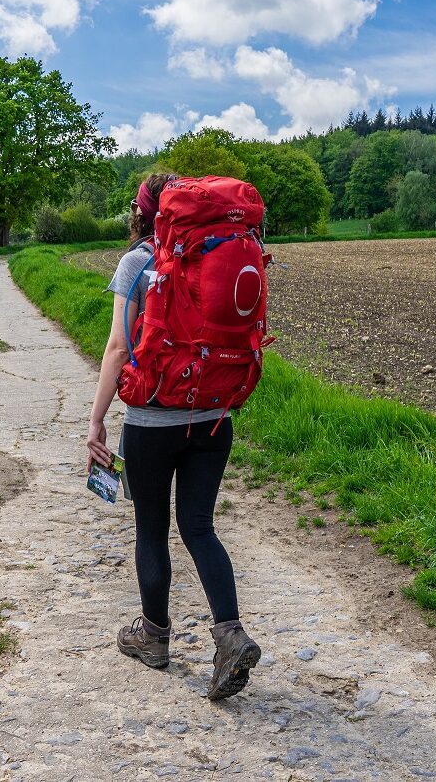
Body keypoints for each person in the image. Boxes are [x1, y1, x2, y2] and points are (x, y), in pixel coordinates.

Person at [86, 172, 261, 701]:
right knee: (200, 528)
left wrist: (96, 421)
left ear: (142, 213)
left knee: (151, 530)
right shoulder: (222, 251)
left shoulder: (138, 262)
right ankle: (230, 635)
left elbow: (119, 348)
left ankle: (154, 639)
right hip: (213, 418)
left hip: (152, 423)